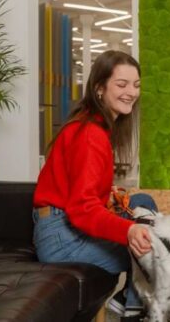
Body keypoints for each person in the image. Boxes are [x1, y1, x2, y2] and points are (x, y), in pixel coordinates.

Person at [32, 50, 153, 321]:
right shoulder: (90, 135)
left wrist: (107, 194)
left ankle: (127, 300)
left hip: (62, 225)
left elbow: (77, 190)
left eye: (136, 85)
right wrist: (129, 230)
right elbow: (82, 209)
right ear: (100, 89)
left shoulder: (93, 126)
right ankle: (133, 308)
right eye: (121, 85)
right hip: (62, 238)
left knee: (144, 204)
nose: (131, 92)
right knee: (156, 249)